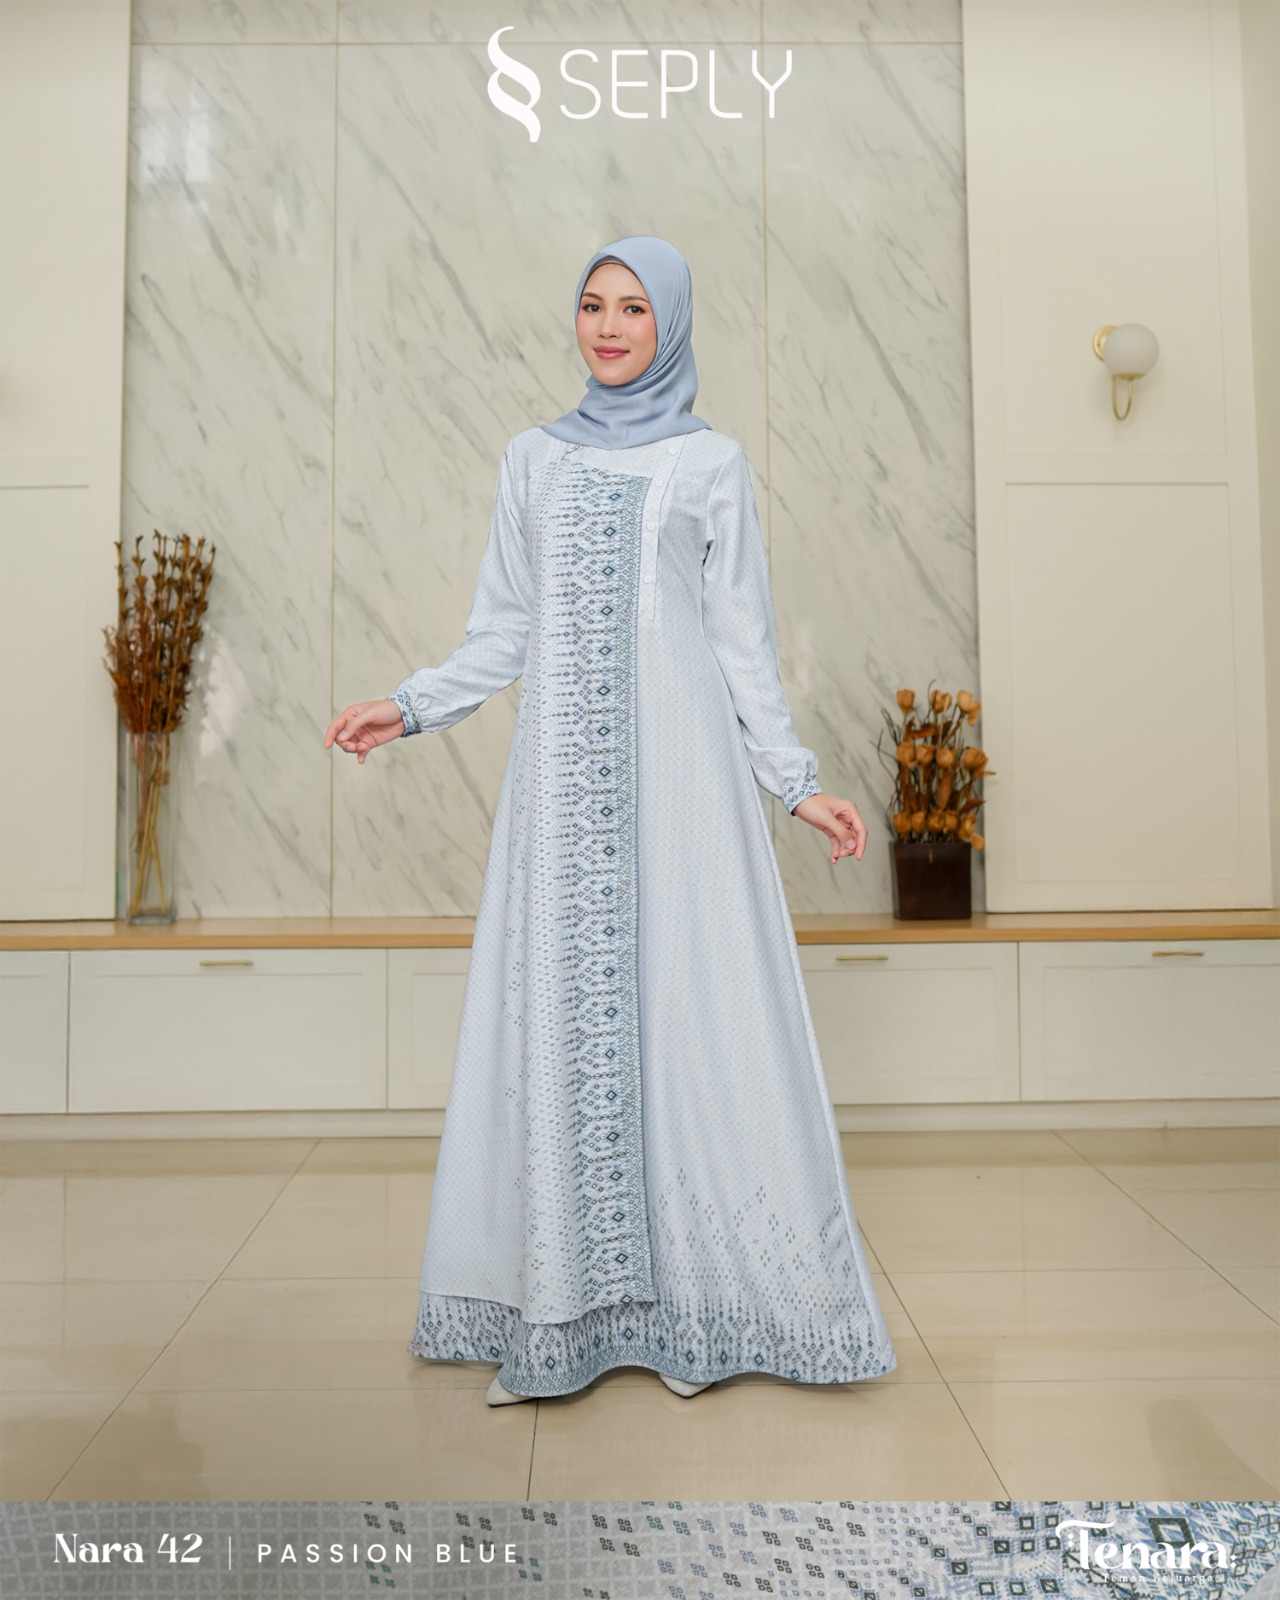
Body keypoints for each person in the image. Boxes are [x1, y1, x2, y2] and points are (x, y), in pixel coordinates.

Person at [324, 234, 897, 1406]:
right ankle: (565, 1307)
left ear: (669, 324)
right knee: (565, 1023)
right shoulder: (531, 460)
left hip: (683, 788)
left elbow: (741, 643)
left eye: (633, 308)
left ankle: (707, 1305)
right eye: (592, 304)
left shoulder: (710, 464)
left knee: (688, 1021)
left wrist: (794, 782)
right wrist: (412, 704)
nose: (607, 326)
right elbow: (505, 625)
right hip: (562, 793)